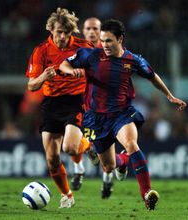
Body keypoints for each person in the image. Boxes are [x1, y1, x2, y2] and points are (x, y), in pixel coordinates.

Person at [60, 19, 187, 210]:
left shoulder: (133, 60)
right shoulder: (90, 55)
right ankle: (123, 160)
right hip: (96, 118)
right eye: (102, 41)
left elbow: (153, 76)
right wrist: (72, 71)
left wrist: (169, 96)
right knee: (109, 167)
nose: (105, 45)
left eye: (109, 41)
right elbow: (63, 65)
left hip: (122, 114)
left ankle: (146, 194)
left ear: (120, 39)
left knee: (131, 143)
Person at [25, 8, 94, 208]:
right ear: (51, 31)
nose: (62, 36)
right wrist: (44, 77)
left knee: (70, 147)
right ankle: (67, 195)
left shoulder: (83, 46)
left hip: (76, 101)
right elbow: (31, 85)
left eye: (66, 32)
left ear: (71, 32)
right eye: (58, 32)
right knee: (52, 158)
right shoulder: (41, 51)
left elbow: (99, 69)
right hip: (51, 104)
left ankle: (87, 145)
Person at [82, 17, 114, 199]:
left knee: (106, 162)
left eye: (96, 28)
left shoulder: (109, 52)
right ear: (83, 31)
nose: (92, 32)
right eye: (88, 28)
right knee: (75, 141)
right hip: (83, 108)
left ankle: (108, 181)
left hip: (105, 111)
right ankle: (89, 149)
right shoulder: (78, 52)